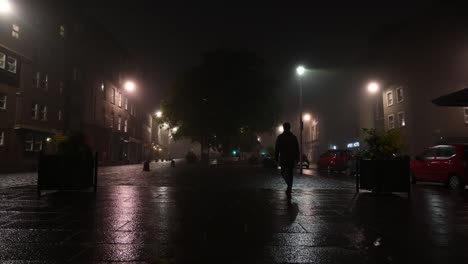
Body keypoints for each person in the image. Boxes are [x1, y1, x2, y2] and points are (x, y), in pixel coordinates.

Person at [275, 122, 300, 197]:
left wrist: (276, 157)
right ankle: (289, 185)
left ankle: (289, 186)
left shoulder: (280, 137)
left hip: (285, 158)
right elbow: (297, 149)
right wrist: (297, 157)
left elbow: (277, 148)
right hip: (289, 158)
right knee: (289, 173)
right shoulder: (293, 137)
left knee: (285, 173)